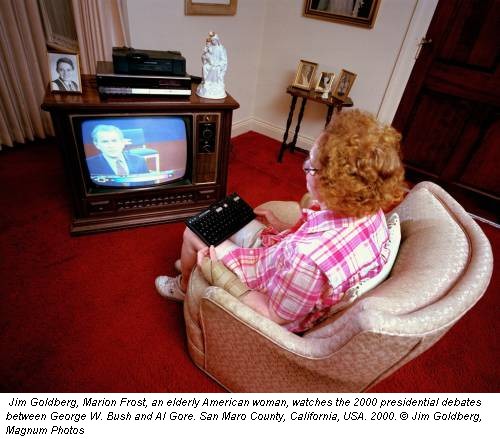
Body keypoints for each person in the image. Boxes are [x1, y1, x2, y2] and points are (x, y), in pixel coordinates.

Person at [155, 110, 406, 333]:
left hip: (271, 288)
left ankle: (185, 286)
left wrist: (218, 271)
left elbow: (271, 314)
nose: (305, 167)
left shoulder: (307, 259)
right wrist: (283, 228)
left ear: (334, 183)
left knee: (194, 233)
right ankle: (191, 262)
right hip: (284, 264)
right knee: (232, 217)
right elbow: (317, 239)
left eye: (312, 167)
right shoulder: (370, 210)